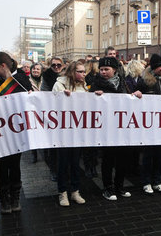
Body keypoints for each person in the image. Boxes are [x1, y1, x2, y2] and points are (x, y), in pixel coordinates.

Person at [0, 52, 32, 214]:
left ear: (3, 66)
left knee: (15, 165)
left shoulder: (22, 81)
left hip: (17, 131)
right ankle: (4, 199)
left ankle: (15, 197)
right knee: (2, 166)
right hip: (0, 131)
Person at [91, 57, 141, 201]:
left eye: (106, 69)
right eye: (101, 69)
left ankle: (119, 186)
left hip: (122, 128)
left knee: (123, 160)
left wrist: (136, 96)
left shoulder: (124, 83)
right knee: (108, 160)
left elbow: (129, 100)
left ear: (114, 70)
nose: (103, 72)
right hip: (106, 129)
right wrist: (94, 96)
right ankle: (108, 188)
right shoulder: (96, 84)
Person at [52, 61, 88, 206]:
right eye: (80, 71)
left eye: (84, 71)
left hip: (78, 130)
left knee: (75, 162)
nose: (83, 74)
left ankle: (75, 191)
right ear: (72, 72)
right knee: (63, 163)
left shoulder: (84, 86)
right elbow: (52, 104)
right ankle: (62, 192)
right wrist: (62, 97)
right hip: (63, 131)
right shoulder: (59, 84)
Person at [136, 54, 161, 194]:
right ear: (154, 67)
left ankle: (157, 181)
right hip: (149, 124)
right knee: (148, 155)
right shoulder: (144, 81)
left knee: (159, 155)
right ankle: (146, 182)